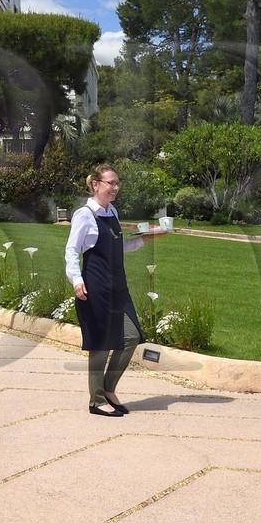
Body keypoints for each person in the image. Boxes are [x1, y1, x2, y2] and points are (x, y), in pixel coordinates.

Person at [64, 164, 167, 416]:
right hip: (95, 287)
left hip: (118, 287)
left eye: (117, 183)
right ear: (96, 185)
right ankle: (96, 401)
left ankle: (109, 389)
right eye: (111, 183)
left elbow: (119, 247)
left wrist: (149, 237)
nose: (116, 187)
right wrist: (76, 280)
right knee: (100, 343)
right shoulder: (85, 215)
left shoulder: (112, 212)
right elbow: (71, 250)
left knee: (131, 336)